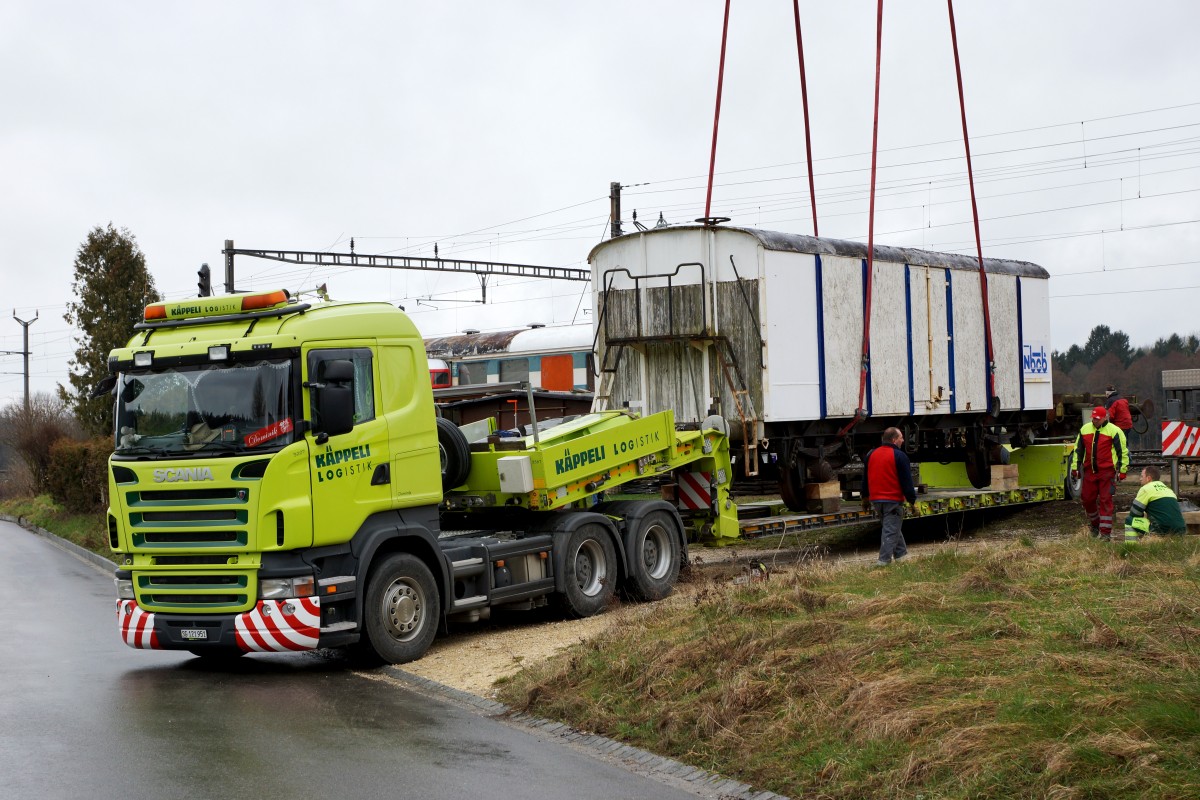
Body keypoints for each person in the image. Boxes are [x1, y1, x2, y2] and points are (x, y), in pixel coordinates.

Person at [1071, 406, 1129, 540]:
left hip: (1107, 472)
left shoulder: (1114, 431)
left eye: (1097, 419)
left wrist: (1122, 470)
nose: (1095, 421)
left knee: (1105, 501)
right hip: (1089, 472)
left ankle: (1105, 533)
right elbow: (1078, 451)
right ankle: (1095, 524)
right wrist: (1075, 468)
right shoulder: (1085, 429)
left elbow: (1123, 452)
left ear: (1104, 418)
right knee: (1087, 499)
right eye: (1093, 418)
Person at [862, 427, 917, 565]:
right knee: (890, 531)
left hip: (876, 500)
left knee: (892, 528)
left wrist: (865, 498)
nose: (903, 440)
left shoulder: (871, 454)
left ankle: (901, 556)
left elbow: (865, 478)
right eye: (901, 437)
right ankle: (883, 562)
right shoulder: (900, 456)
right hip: (892, 500)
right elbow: (906, 481)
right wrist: (913, 501)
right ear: (894, 440)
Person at [1123, 465, 1187, 540]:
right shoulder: (1169, 490)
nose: (1140, 479)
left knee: (1129, 520)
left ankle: (1131, 547)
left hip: (1162, 530)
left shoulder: (1145, 489)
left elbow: (1134, 514)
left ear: (1148, 478)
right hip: (1181, 530)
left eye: (1142, 476)